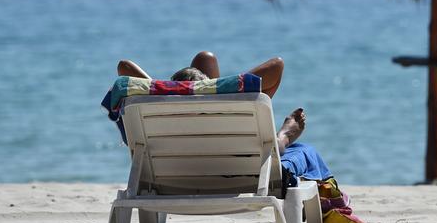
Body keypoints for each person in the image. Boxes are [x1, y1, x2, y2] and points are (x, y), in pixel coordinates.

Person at [116, 52, 303, 153]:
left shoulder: (157, 119)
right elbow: (277, 65)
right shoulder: (229, 124)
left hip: (172, 169)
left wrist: (162, 95)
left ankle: (187, 90)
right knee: (272, 145)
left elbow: (124, 66)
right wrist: (216, 91)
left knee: (204, 58)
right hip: (232, 168)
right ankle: (284, 135)